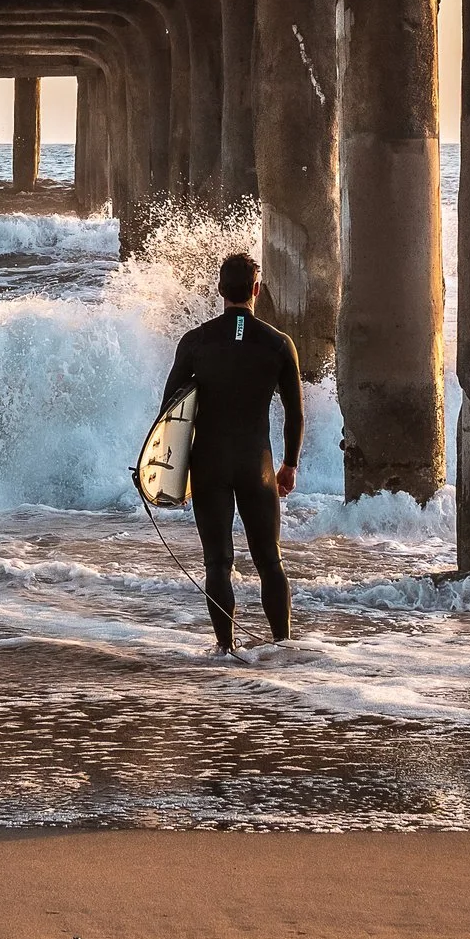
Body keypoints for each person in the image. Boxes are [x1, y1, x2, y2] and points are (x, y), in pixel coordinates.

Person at [160, 252, 304, 650]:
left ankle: (226, 649)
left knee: (218, 562)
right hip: (256, 466)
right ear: (257, 290)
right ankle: (283, 646)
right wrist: (289, 465)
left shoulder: (195, 342)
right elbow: (295, 412)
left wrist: (167, 472)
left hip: (208, 466)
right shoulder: (278, 344)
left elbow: (170, 411)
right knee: (269, 561)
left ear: (220, 290)